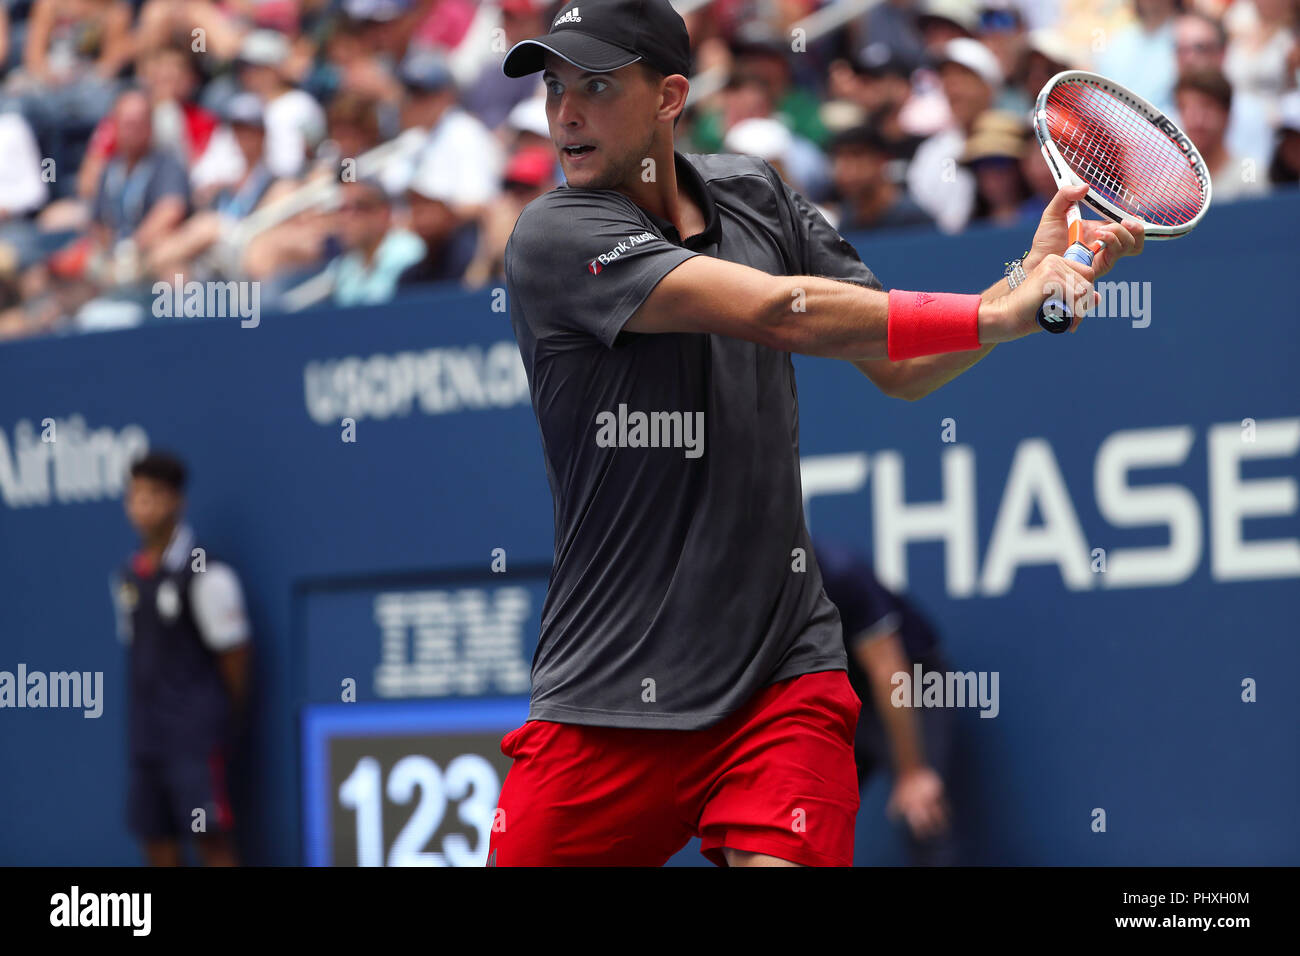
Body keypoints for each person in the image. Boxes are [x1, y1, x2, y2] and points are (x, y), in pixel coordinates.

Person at [490, 0, 1144, 868]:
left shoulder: (756, 193)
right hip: (609, 694)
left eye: (596, 84)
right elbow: (778, 312)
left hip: (779, 676)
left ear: (669, 95)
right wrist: (994, 312)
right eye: (553, 85)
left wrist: (1025, 288)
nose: (564, 111)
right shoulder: (553, 235)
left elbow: (899, 366)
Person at [111, 452, 252, 867]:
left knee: (210, 839)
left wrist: (216, 720)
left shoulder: (208, 573)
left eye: (154, 495)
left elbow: (236, 658)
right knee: (157, 845)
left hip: (194, 740)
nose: (143, 505)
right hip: (146, 739)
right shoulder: (127, 577)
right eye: (135, 495)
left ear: (177, 502)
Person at [814, 542, 957, 866]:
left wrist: (912, 771)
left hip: (915, 683)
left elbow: (889, 673)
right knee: (809, 810)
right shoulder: (765, 584)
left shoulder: (840, 573)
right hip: (847, 693)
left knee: (921, 804)